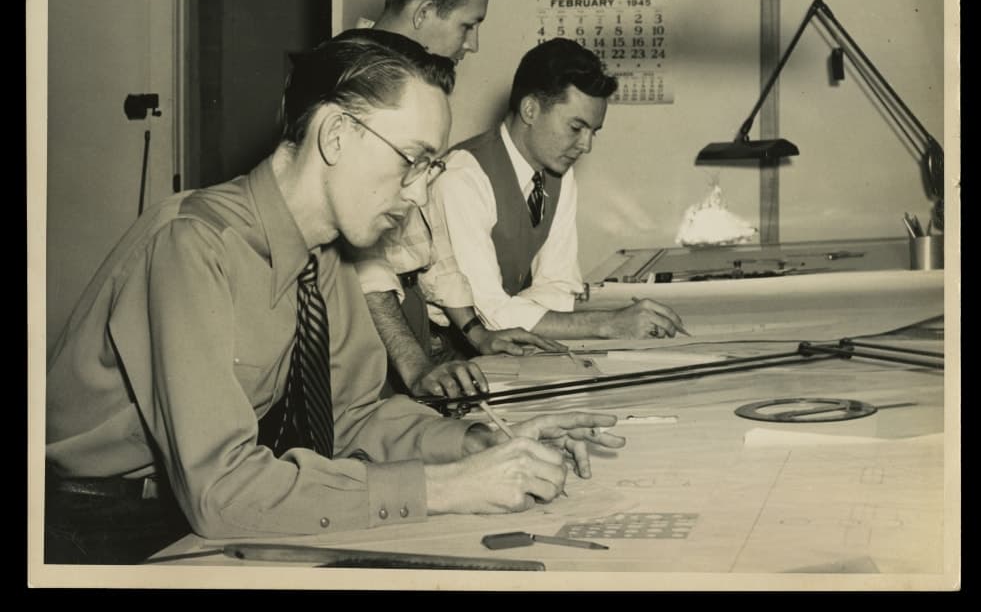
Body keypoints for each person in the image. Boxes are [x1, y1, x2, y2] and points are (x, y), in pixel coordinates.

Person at [44, 30, 625, 565]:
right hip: (105, 526)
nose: (421, 191)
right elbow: (220, 490)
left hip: (204, 508)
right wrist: (449, 488)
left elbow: (353, 416)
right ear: (336, 135)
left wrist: (479, 444)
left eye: (433, 166)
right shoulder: (192, 244)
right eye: (413, 161)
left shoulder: (327, 252)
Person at [353, 0, 564, 399]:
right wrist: (413, 364)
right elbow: (360, 256)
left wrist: (475, 331)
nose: (473, 44)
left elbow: (426, 229)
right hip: (364, 320)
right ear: (424, 12)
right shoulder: (352, 80)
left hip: (406, 311)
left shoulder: (416, 79)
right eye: (468, 25)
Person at [421, 37, 688, 340]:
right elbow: (488, 314)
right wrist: (606, 324)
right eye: (576, 128)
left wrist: (518, 312)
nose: (585, 146)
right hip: (444, 352)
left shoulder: (556, 175)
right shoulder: (462, 179)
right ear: (531, 110)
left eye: (593, 132)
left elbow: (560, 285)